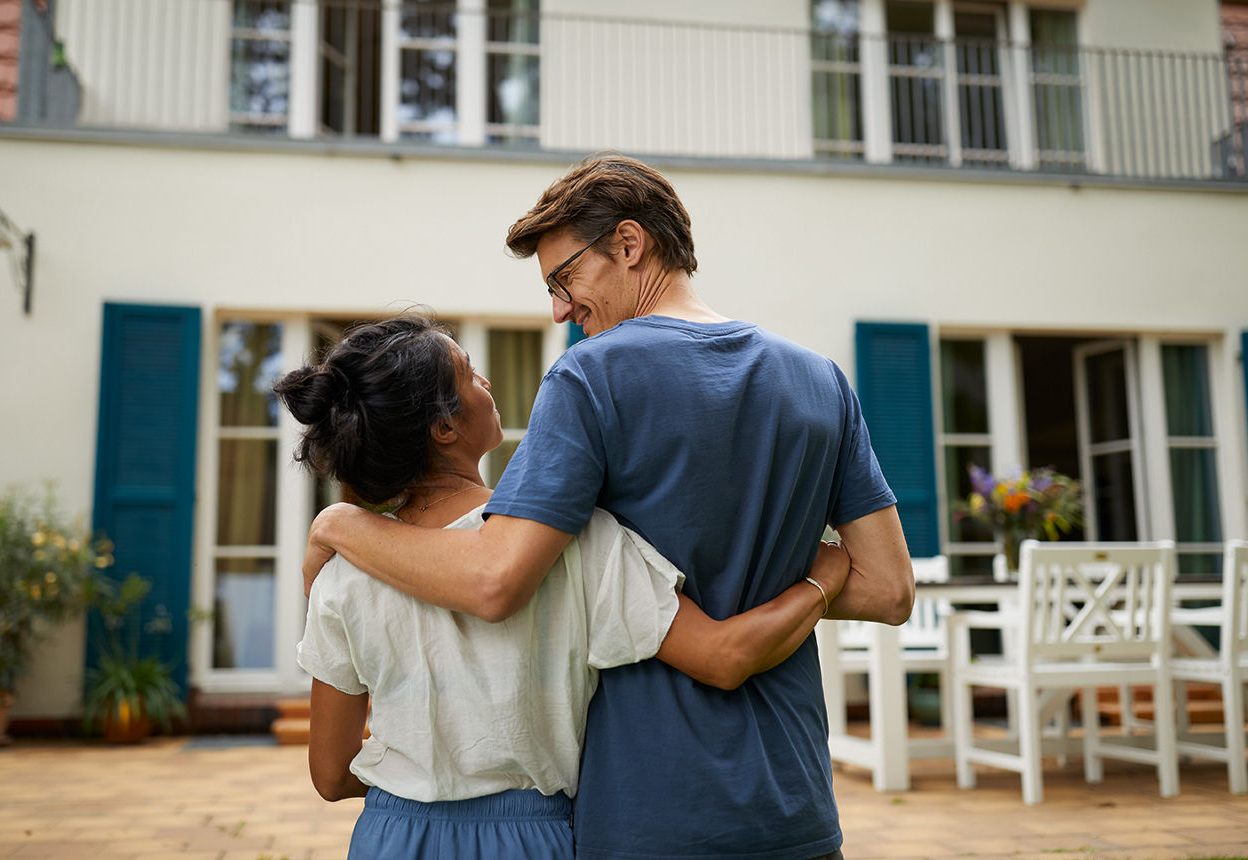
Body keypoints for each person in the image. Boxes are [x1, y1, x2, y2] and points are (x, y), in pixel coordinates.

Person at [303, 156, 915, 859]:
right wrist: (820, 571)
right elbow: (891, 590)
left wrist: (340, 521)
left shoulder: (593, 375)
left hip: (646, 811)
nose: (560, 309)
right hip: (796, 803)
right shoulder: (820, 380)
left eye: (564, 279)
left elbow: (494, 578)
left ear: (629, 245)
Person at [276, 314, 853, 858]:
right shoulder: (576, 543)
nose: (488, 381)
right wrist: (821, 582)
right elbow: (725, 657)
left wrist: (417, 782)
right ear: (445, 426)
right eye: (470, 373)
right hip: (534, 839)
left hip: (392, 835)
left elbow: (330, 774)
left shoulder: (343, 571)